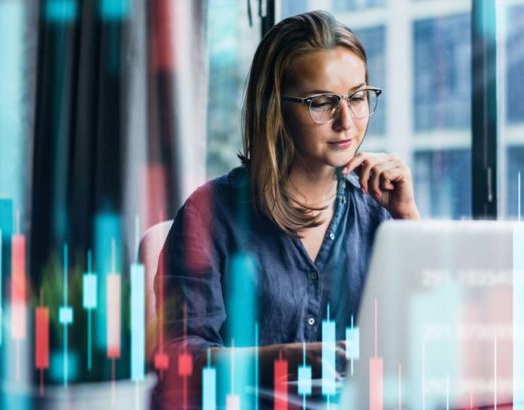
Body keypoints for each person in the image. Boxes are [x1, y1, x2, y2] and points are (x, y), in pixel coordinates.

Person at [154, 10, 419, 405]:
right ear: (274, 108)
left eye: (357, 97)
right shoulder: (209, 214)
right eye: (322, 103)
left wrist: (408, 220)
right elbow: (176, 358)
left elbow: (432, 341)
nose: (346, 122)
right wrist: (282, 360)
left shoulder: (379, 213)